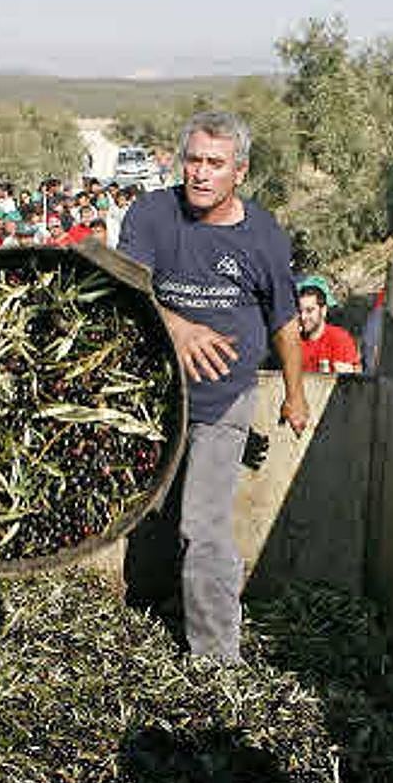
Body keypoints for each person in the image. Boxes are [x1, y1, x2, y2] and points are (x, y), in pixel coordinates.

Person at [118, 110, 309, 664]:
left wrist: (295, 394)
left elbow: (283, 320)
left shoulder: (263, 235)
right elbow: (126, 288)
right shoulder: (153, 214)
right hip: (151, 396)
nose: (200, 174)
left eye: (215, 164)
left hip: (223, 399)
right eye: (194, 161)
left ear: (240, 172)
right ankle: (158, 608)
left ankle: (216, 658)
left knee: (202, 528)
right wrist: (175, 327)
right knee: (152, 515)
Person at [297, 276, 361, 373]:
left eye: (309, 311)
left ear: (323, 311)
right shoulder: (294, 341)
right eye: (300, 311)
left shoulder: (338, 338)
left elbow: (355, 373)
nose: (303, 317)